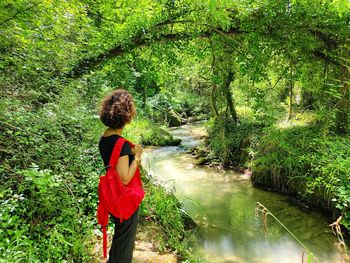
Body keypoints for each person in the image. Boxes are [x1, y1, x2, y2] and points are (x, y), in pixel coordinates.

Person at [98, 89, 143, 263]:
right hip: (125, 200)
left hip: (112, 196)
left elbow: (113, 159)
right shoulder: (120, 143)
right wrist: (137, 156)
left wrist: (128, 152)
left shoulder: (105, 138)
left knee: (120, 238)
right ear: (126, 115)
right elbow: (125, 177)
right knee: (124, 244)